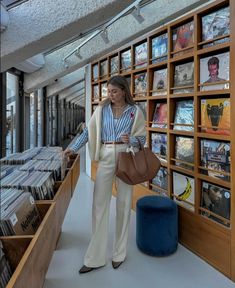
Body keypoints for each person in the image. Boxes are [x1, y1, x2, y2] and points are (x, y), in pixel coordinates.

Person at [64, 75, 146, 274]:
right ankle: (95, 258)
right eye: (108, 91)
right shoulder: (101, 110)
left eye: (114, 91)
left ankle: (119, 254)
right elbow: (87, 133)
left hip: (127, 155)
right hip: (107, 155)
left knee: (124, 205)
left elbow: (142, 137)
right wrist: (72, 148)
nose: (110, 94)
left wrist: (133, 139)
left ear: (124, 91)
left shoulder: (135, 111)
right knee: (99, 206)